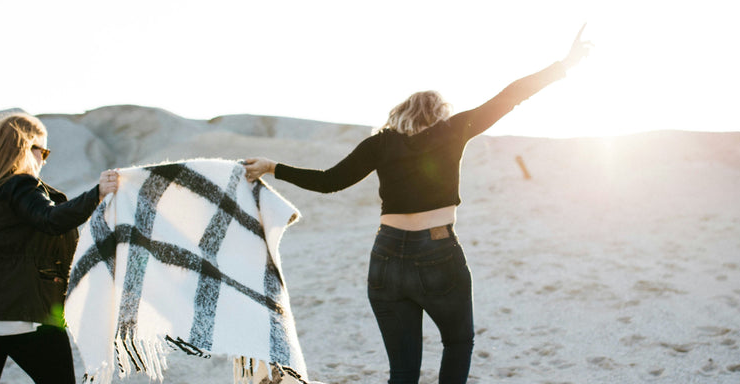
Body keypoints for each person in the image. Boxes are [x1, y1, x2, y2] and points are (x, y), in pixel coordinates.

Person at [243, 25, 592, 384]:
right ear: (439, 113)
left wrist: (274, 167)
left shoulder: (380, 144)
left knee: (404, 372)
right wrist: (564, 65)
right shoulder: (453, 130)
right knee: (458, 343)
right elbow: (510, 96)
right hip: (438, 252)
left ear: (400, 113)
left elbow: (330, 182)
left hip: (386, 256)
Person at [0, 112, 119, 383]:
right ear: (27, 148)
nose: (43, 160)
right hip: (20, 311)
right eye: (43, 151)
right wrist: (96, 194)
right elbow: (50, 219)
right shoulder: (21, 185)